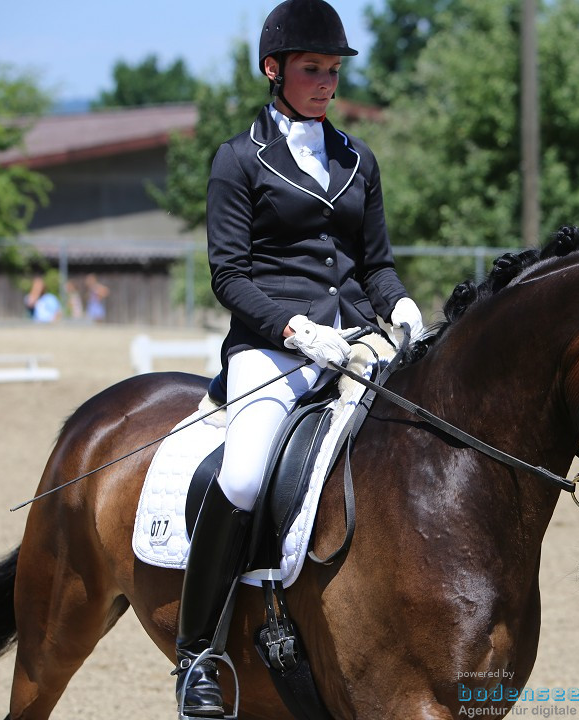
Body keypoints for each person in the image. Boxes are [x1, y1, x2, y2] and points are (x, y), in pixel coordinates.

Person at [172, 0, 424, 716]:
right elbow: (229, 275)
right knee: (247, 473)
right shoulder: (237, 158)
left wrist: (399, 304)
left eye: (333, 69)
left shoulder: (356, 158)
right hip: (271, 350)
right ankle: (198, 656)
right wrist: (291, 328)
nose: (326, 81)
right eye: (312, 68)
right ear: (273, 69)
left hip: (354, 344)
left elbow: (374, 263)